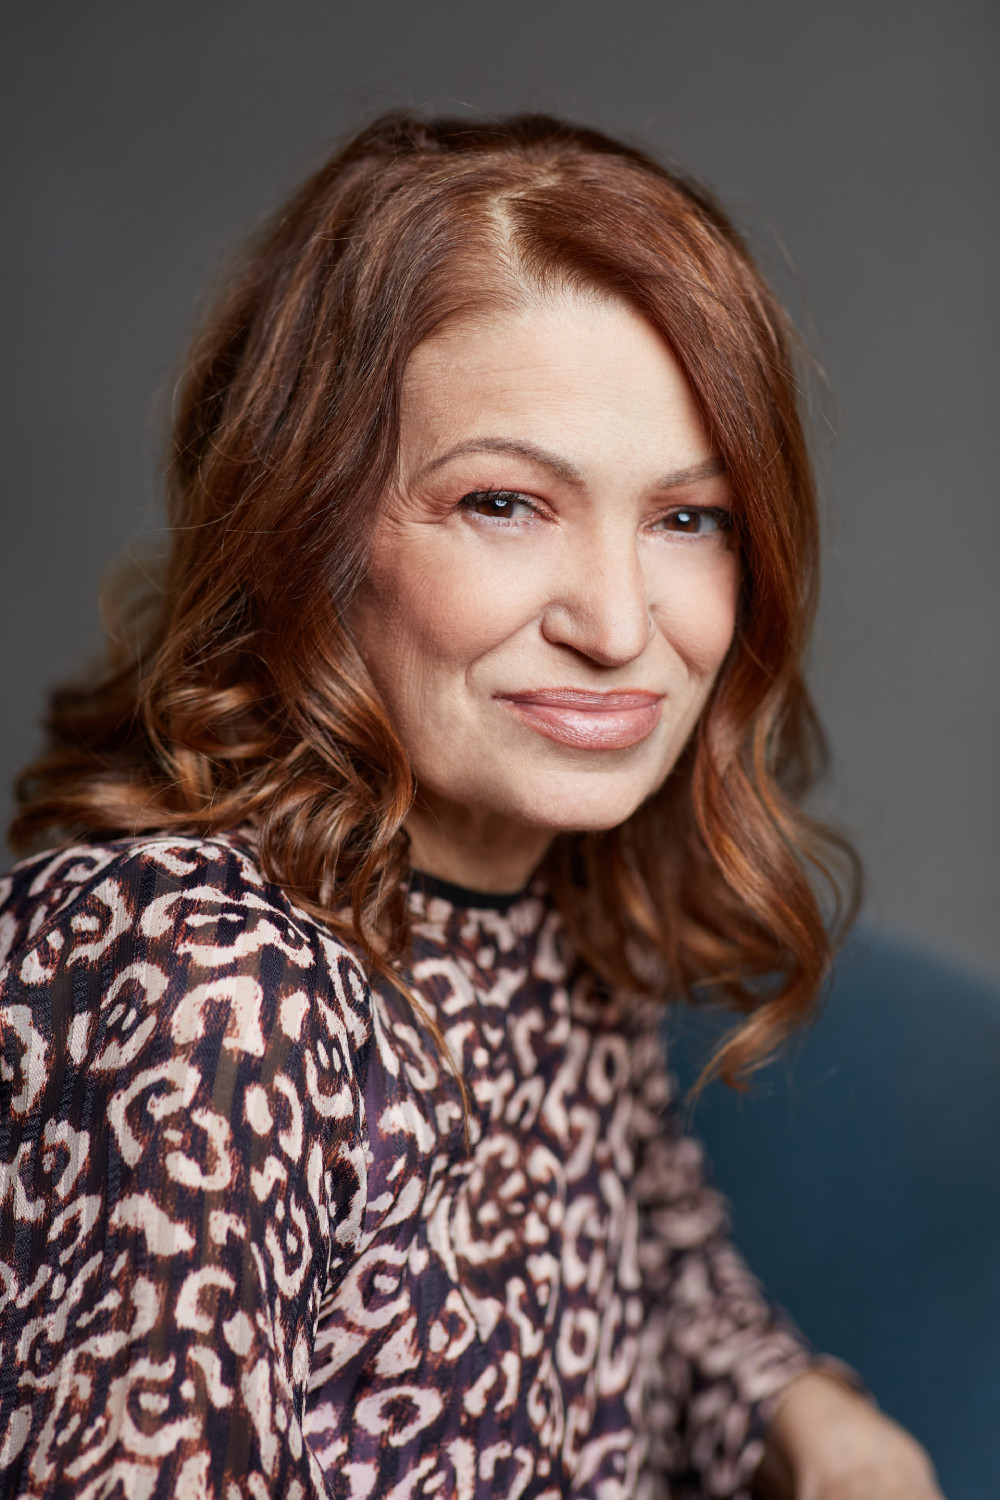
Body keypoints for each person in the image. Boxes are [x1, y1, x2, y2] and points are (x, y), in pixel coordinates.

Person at [0, 113, 942, 1500]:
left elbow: (659, 1272)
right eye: (505, 503)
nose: (617, 626)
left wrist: (805, 1413)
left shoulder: (549, 889)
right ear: (306, 526)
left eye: (689, 518)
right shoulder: (198, 977)